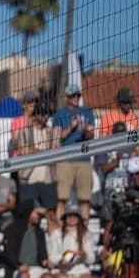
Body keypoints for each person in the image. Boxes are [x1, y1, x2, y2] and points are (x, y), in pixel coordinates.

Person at [52, 84, 96, 221]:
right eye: (72, 95)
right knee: (62, 198)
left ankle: (84, 231)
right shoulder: (59, 114)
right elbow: (58, 137)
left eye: (78, 95)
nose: (76, 98)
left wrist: (85, 131)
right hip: (66, 160)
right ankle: (59, 231)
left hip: (83, 159)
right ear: (66, 97)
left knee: (85, 199)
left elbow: (91, 135)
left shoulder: (87, 111)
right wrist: (72, 127)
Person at [13, 101, 60, 223]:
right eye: (41, 114)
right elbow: (23, 151)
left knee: (51, 213)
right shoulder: (25, 132)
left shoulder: (51, 132)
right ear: (35, 115)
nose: (45, 116)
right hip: (29, 179)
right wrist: (43, 152)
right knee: (28, 215)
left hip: (48, 179)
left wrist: (37, 151)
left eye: (46, 114)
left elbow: (56, 151)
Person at [0, 200, 56, 278]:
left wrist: (45, 261)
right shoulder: (12, 230)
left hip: (37, 268)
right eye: (37, 213)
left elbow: (42, 253)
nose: (40, 216)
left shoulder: (39, 232)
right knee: (24, 275)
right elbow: (8, 253)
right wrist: (18, 265)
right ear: (28, 212)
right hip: (17, 268)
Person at [48, 208, 96, 278]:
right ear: (65, 218)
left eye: (75, 216)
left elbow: (92, 258)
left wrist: (83, 255)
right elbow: (52, 256)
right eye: (69, 216)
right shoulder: (56, 233)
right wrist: (61, 260)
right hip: (61, 271)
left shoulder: (86, 235)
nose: (72, 218)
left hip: (81, 271)